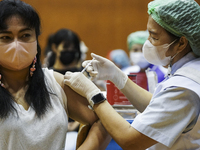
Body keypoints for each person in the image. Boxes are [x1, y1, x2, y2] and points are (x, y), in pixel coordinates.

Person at [64, 0, 200, 149]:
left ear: (181, 43)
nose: (148, 43)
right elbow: (156, 105)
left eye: (154, 37)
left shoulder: (185, 86)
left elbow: (130, 140)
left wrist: (93, 94)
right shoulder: (188, 68)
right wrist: (116, 75)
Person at [0, 0, 111, 150]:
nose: (16, 44)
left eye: (25, 35)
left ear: (36, 40)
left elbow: (104, 121)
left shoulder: (55, 82)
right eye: (6, 37)